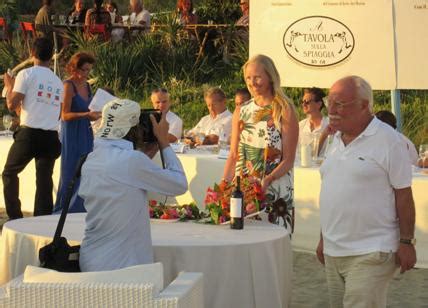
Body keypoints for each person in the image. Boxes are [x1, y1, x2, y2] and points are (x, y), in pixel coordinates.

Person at [316, 76, 416, 308]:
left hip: (373, 250)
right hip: (334, 249)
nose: (331, 109)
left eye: (340, 104)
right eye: (329, 101)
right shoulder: (336, 139)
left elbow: (404, 195)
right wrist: (323, 239)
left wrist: (406, 241)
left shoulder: (389, 140)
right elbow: (332, 190)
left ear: (364, 105)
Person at [78, 99, 187, 271]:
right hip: (123, 267)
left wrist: (153, 148)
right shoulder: (131, 161)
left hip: (92, 258)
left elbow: (131, 174)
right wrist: (164, 141)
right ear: (134, 129)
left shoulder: (92, 159)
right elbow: (179, 184)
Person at [222, 54, 299, 229]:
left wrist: (268, 180)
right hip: (244, 191)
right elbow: (234, 155)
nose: (252, 82)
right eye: (248, 77)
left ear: (270, 77)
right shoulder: (242, 110)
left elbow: (288, 159)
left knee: (274, 245)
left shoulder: (284, 110)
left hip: (275, 189)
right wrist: (223, 188)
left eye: (257, 77)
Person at [2, 37, 63, 220]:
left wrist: (8, 86)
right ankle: (41, 222)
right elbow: (58, 113)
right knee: (44, 181)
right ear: (51, 56)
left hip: (29, 135)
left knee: (9, 173)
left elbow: (12, 105)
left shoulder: (26, 74)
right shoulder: (58, 81)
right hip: (51, 136)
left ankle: (16, 217)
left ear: (32, 53)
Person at [53, 52, 101, 213]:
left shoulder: (87, 86)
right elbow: (64, 115)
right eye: (84, 70)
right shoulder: (68, 85)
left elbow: (89, 109)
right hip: (72, 133)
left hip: (86, 132)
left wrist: (97, 113)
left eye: (89, 70)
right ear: (75, 68)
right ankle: (64, 209)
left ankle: (80, 208)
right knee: (70, 171)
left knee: (85, 170)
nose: (87, 74)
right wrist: (86, 115)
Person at [299, 87, 329, 156]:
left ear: (319, 104)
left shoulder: (329, 125)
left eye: (307, 102)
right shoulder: (300, 126)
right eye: (302, 102)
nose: (303, 104)